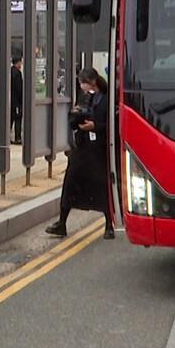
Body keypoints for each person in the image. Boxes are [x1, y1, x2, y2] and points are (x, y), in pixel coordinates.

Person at [47, 68, 115, 239]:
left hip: (98, 150)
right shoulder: (85, 97)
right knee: (70, 183)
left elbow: (111, 123)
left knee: (101, 186)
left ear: (91, 81)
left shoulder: (107, 98)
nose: (81, 86)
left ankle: (109, 225)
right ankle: (62, 223)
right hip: (82, 148)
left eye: (82, 82)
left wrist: (95, 126)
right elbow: (75, 118)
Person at [10, 54, 24, 143]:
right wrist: (21, 100)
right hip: (16, 102)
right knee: (18, 119)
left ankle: (7, 137)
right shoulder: (17, 73)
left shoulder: (10, 71)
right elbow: (19, 88)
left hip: (10, 101)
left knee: (10, 120)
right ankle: (17, 138)